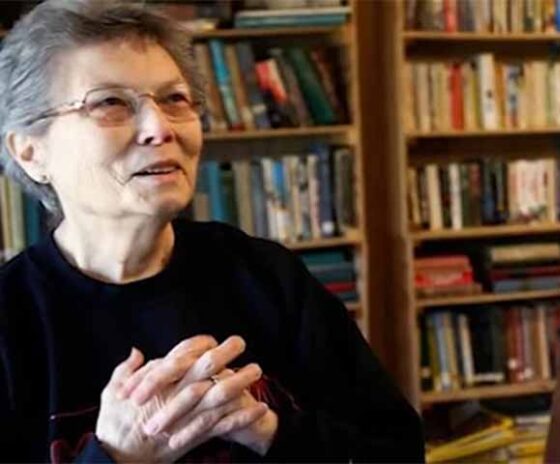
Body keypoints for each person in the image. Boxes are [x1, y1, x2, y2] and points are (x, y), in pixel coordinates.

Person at [0, 0, 424, 462]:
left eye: (175, 100)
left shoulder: (267, 276)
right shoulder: (10, 318)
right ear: (30, 152)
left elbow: (397, 450)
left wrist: (270, 431)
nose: (160, 128)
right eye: (110, 103)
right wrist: (115, 457)